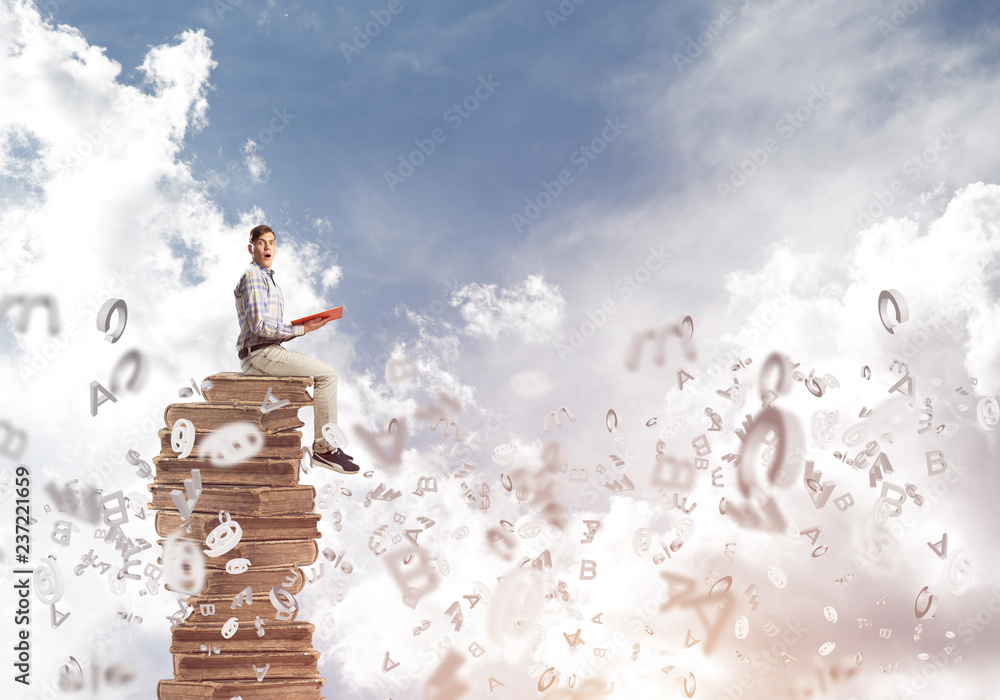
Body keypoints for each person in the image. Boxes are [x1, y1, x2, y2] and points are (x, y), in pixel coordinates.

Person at [234, 224, 358, 474]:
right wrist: (302, 329)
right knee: (327, 375)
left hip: (268, 350)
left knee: (326, 374)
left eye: (271, 242)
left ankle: (326, 447)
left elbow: (269, 329)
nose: (267, 247)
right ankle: (325, 450)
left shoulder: (269, 279)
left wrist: (305, 326)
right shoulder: (254, 276)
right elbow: (260, 326)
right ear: (251, 248)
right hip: (259, 354)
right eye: (261, 242)